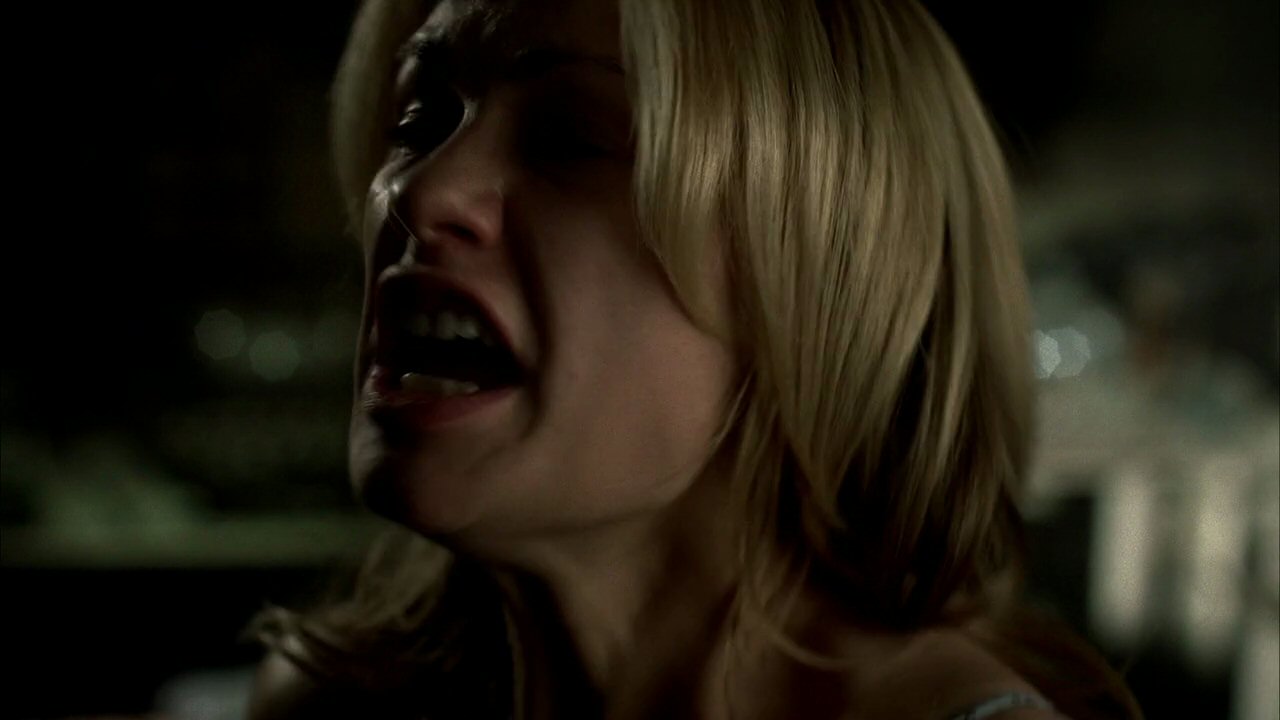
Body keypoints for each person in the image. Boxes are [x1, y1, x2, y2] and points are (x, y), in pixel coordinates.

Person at [250, 0, 1142, 718]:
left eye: (571, 136)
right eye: (422, 117)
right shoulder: (326, 702)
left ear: (814, 285)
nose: (417, 189)